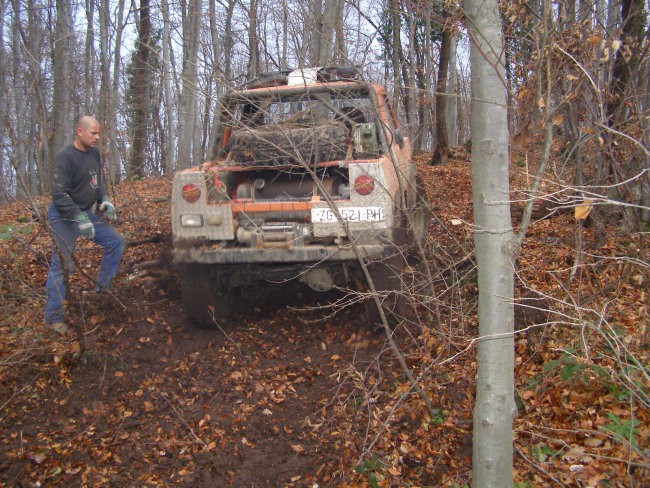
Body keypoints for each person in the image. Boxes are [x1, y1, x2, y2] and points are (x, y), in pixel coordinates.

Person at [44, 116, 124, 335]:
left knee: (116, 242)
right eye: (94, 133)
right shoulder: (65, 157)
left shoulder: (94, 153)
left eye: (99, 133)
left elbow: (96, 182)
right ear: (80, 132)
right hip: (64, 216)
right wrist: (79, 218)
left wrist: (104, 200)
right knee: (62, 265)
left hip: (86, 213)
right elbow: (59, 195)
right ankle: (53, 318)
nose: (97, 138)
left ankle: (101, 292)